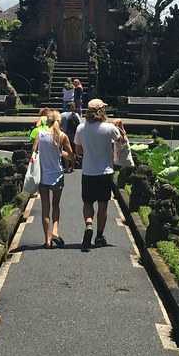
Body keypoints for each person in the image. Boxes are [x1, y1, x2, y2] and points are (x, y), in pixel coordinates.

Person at [73, 98, 127, 251]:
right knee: (103, 206)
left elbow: (78, 151)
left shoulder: (81, 128)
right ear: (102, 111)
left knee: (88, 203)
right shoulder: (109, 128)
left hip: (88, 171)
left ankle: (88, 224)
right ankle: (99, 236)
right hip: (105, 172)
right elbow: (122, 142)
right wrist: (121, 127)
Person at [32, 109, 73, 248]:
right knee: (55, 205)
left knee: (45, 207)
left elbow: (34, 153)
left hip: (43, 176)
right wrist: (62, 154)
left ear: (47, 121)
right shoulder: (62, 136)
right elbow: (71, 155)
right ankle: (55, 231)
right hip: (57, 175)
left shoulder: (40, 134)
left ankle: (47, 240)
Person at [59, 102, 82, 172]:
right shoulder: (76, 115)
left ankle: (66, 167)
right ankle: (72, 166)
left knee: (66, 151)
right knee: (73, 151)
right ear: (73, 107)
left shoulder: (62, 115)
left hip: (64, 135)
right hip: (74, 135)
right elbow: (80, 125)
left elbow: (59, 124)